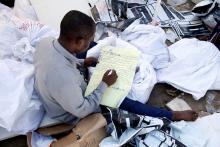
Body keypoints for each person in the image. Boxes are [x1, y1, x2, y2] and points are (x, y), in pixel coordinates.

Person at [34, 10, 198, 125]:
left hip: (63, 88)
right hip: (69, 113)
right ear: (78, 41)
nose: (91, 40)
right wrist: (104, 84)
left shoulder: (46, 42)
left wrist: (82, 63)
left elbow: (64, 61)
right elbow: (82, 110)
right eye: (88, 38)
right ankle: (171, 115)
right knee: (124, 102)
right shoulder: (64, 78)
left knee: (96, 48)